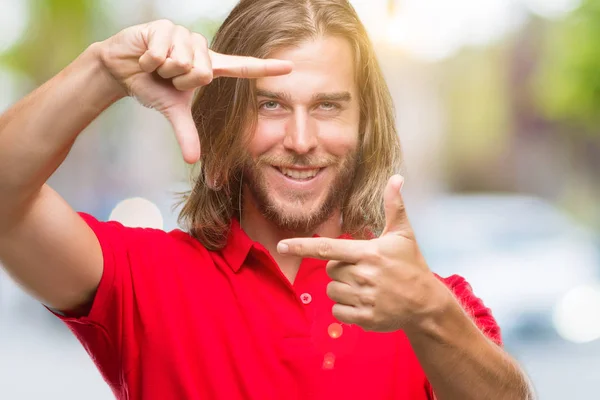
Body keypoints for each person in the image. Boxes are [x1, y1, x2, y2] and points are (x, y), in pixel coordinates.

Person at [0, 0, 534, 399]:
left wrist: (429, 310)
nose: (301, 141)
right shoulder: (142, 277)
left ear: (364, 127)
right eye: (272, 105)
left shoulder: (433, 306)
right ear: (226, 122)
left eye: (328, 106)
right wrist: (102, 73)